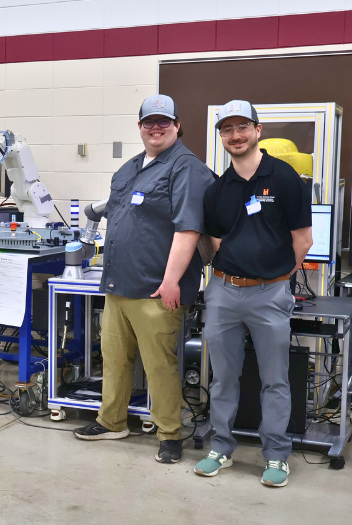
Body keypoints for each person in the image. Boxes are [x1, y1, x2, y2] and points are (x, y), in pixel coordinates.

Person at [73, 95, 216, 464]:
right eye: (149, 121)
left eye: (164, 121)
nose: (156, 127)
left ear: (177, 125)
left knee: (159, 366)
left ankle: (170, 435)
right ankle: (112, 421)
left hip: (157, 289)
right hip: (118, 285)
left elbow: (188, 229)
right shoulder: (129, 169)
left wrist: (171, 281)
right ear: (139, 126)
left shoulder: (186, 168)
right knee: (114, 359)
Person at [196, 100, 312, 487]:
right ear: (221, 137)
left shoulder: (284, 178)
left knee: (275, 379)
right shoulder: (218, 189)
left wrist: (276, 278)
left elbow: (303, 240)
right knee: (223, 377)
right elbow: (215, 242)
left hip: (270, 294)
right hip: (223, 293)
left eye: (242, 126)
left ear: (257, 130)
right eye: (227, 129)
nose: (236, 135)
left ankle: (276, 454)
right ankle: (221, 447)